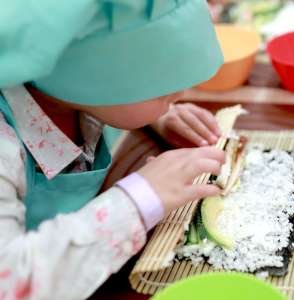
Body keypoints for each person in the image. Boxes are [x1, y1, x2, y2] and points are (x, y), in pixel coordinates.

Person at [0, 1, 226, 299]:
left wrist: (158, 112)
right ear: (84, 77)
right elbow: (11, 280)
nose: (181, 91)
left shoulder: (73, 93)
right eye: (161, 86)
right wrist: (140, 199)